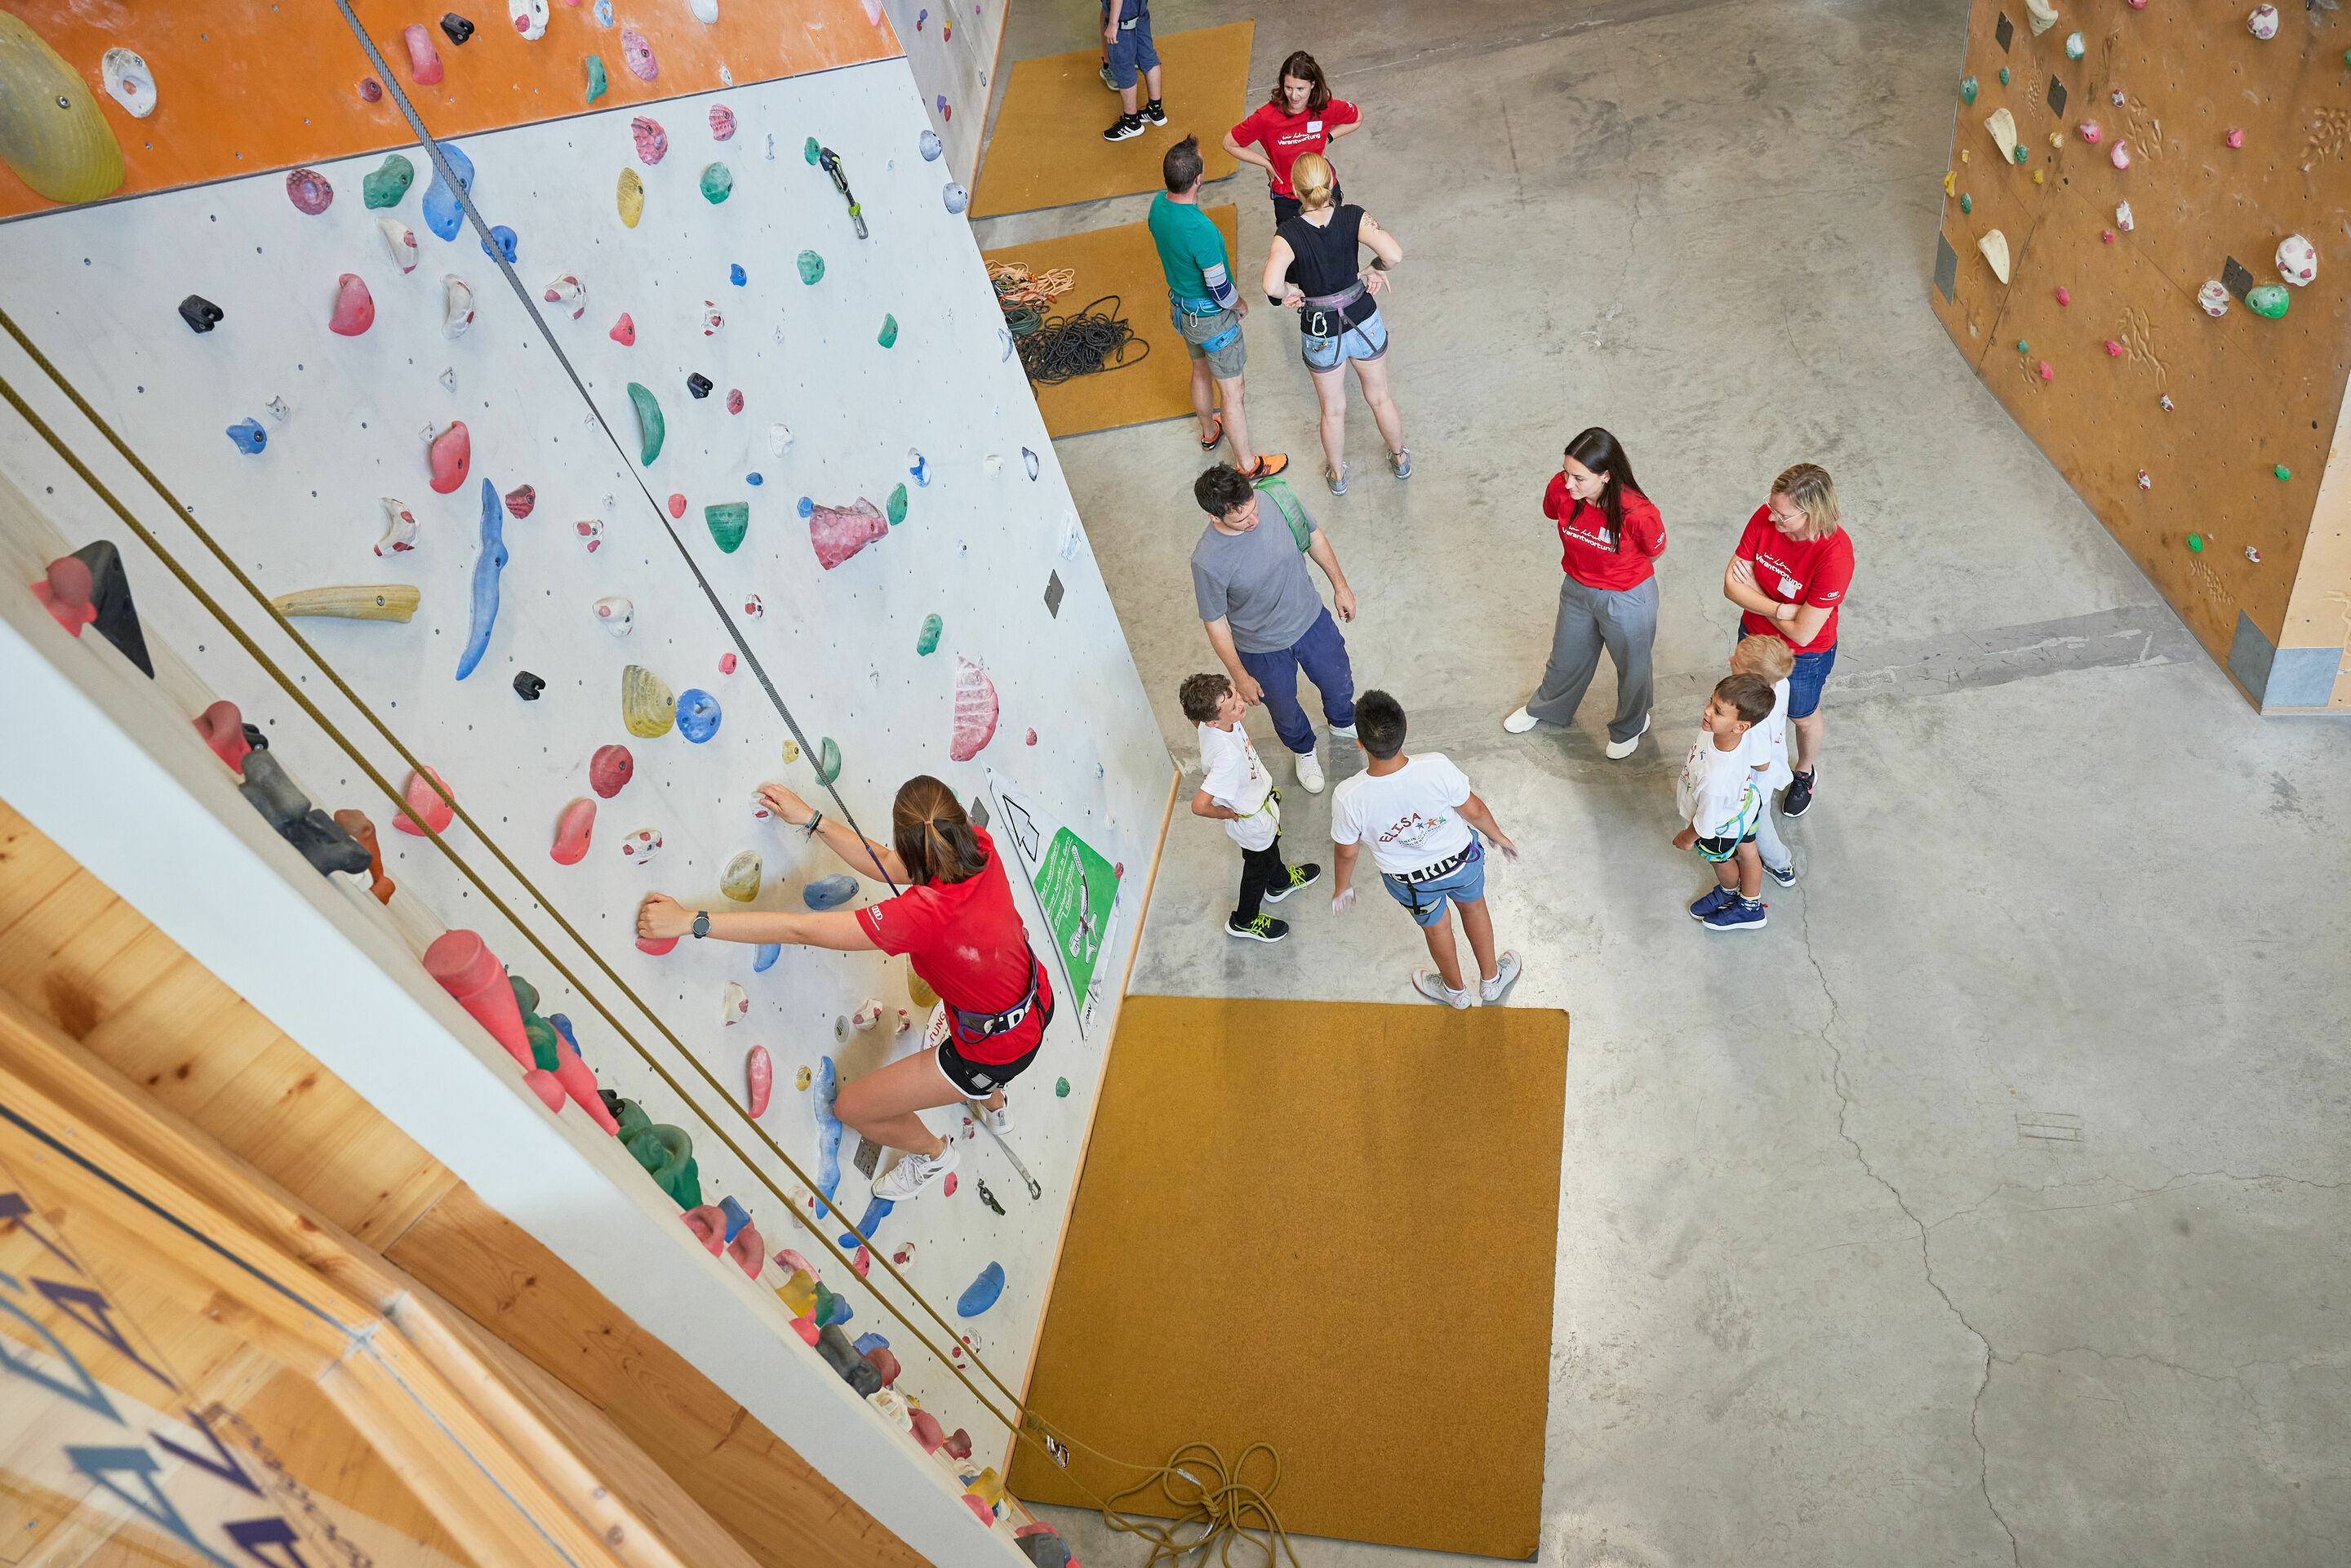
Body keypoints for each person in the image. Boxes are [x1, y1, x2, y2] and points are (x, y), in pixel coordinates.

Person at [635, 776, 1051, 1202]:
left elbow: (801, 929)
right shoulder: (977, 846)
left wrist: (691, 922)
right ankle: (993, 1100)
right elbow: (891, 862)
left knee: (851, 1108)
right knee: (986, 1030)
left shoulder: (921, 915)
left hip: (993, 1050)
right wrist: (812, 820)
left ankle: (935, 1155)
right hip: (1034, 998)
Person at [1329, 691, 1522, 1007]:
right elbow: (1472, 810)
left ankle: (1455, 992)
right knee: (1474, 909)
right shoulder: (1436, 767)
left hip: (1411, 882)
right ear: (1405, 731)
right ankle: (1491, 981)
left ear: (1360, 742)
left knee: (1436, 930)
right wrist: (1498, 836)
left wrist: (1342, 887)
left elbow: (1347, 851)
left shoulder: (1349, 796)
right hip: (1462, 864)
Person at [1191, 463, 1356, 793]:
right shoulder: (1207, 561)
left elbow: (1312, 536)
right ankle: (1304, 750)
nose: (1254, 520)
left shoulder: (1277, 498)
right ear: (1215, 518)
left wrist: (1341, 586)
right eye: (1241, 520)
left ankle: (1343, 723)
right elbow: (1215, 621)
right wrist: (1240, 676)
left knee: (1338, 679)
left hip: (1311, 621)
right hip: (1261, 648)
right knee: (1283, 707)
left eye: (1253, 509)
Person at [1503, 428, 1666, 757]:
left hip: (1627, 596)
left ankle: (1631, 724)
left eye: (1579, 478)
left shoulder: (1638, 513)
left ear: (1606, 476)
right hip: (1577, 588)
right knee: (1565, 656)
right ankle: (1547, 709)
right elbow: (1553, 509)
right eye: (1566, 473)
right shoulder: (1562, 490)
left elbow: (1653, 551)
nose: (1567, 484)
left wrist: (1615, 574)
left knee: (1633, 667)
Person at [1261, 153, 1407, 495]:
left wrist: (1289, 293)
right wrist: (1373, 269)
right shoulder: (1354, 216)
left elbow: (1270, 286)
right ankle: (1400, 459)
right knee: (1380, 397)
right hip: (1363, 319)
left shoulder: (1288, 233)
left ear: (1296, 191)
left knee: (1333, 410)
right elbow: (1394, 255)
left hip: (1321, 329)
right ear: (1331, 182)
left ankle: (1338, 476)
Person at [1151, 136, 1287, 479]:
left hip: (1182, 311)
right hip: (1213, 320)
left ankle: (1210, 433)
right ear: (1198, 179)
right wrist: (1240, 305)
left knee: (1200, 372)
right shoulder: (1202, 231)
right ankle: (1248, 464)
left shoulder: (1157, 206)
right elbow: (1219, 287)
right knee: (1232, 391)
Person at [1721, 462, 1851, 818]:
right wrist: (1782, 610)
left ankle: (1805, 771)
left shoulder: (1834, 556)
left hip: (1803, 656)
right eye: (1772, 507)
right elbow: (1731, 586)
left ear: (1813, 513)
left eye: (1784, 515)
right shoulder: (1767, 517)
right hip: (1754, 638)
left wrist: (1758, 591)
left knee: (1801, 716)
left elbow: (1804, 632)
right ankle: (1752, 762)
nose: (1772, 518)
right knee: (1749, 706)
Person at [1182, 671, 1320, 942]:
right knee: (1257, 868)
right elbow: (1199, 806)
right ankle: (1244, 920)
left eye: (1234, 695)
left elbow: (1193, 716)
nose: (1240, 705)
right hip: (1251, 820)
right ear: (1212, 721)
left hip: (1258, 806)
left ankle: (1279, 883)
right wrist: (1225, 812)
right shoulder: (1226, 758)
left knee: (1270, 851)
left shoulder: (1207, 723)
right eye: (1232, 707)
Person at [1674, 674, 1775, 933]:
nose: (1708, 711)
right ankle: (1751, 903)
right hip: (1744, 806)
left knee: (1722, 861)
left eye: (1717, 711)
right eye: (1711, 702)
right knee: (1748, 852)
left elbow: (1705, 824)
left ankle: (1731, 892)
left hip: (1719, 827)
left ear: (1741, 726)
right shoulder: (1723, 732)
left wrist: (1687, 838)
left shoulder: (1715, 779)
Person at [1224, 51, 1363, 226]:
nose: (1294, 96)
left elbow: (1357, 117)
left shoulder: (1324, 107)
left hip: (1325, 192)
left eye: (1300, 89)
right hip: (1289, 200)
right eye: (1288, 88)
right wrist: (1267, 163)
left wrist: (1326, 139)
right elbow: (1229, 143)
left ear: (1312, 85)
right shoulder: (1266, 118)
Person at [1729, 634, 1798, 886]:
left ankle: (1780, 864)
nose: (1730, 660)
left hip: (1756, 781)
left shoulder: (1754, 719)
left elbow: (1760, 762)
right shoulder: (1780, 684)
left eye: (1736, 662)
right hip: (1775, 760)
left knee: (1759, 822)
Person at [1098, 0, 1164, 143]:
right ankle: (1155, 110)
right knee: (1148, 58)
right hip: (1140, 14)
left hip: (1122, 23)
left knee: (1123, 69)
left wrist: (1113, 24)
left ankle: (1131, 122)